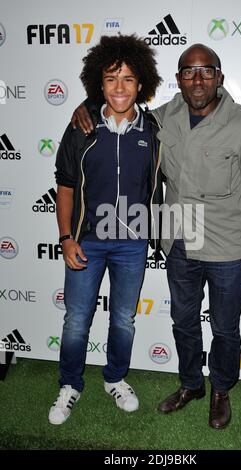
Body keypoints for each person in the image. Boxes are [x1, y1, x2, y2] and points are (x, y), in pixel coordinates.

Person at [71, 43, 241, 429]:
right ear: (178, 79)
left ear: (219, 77)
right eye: (188, 72)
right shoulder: (164, 118)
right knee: (183, 322)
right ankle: (191, 384)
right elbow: (120, 106)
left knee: (226, 327)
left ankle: (221, 390)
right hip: (180, 240)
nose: (197, 80)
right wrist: (87, 103)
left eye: (206, 71)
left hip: (228, 246)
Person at [48, 34, 162, 425]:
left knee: (124, 319)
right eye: (111, 78)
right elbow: (64, 186)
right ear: (99, 83)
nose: (119, 87)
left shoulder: (153, 130)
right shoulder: (81, 126)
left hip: (131, 244)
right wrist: (66, 238)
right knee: (77, 319)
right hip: (87, 243)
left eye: (128, 79)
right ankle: (70, 384)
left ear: (141, 84)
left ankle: (115, 378)